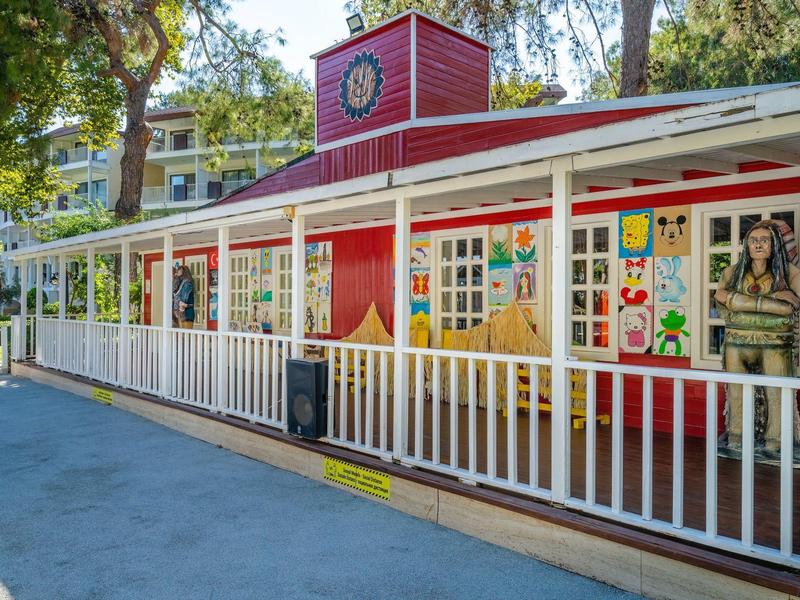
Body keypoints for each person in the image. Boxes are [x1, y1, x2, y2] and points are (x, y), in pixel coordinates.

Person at [714, 220, 800, 455]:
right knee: (736, 391)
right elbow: (720, 299)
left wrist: (738, 303)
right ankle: (736, 437)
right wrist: (774, 302)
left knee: (777, 392)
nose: (758, 245)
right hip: (737, 341)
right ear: (747, 245)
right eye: (753, 240)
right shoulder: (732, 272)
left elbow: (792, 308)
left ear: (774, 245)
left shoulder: (789, 273)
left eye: (764, 240)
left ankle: (776, 442)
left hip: (776, 343)